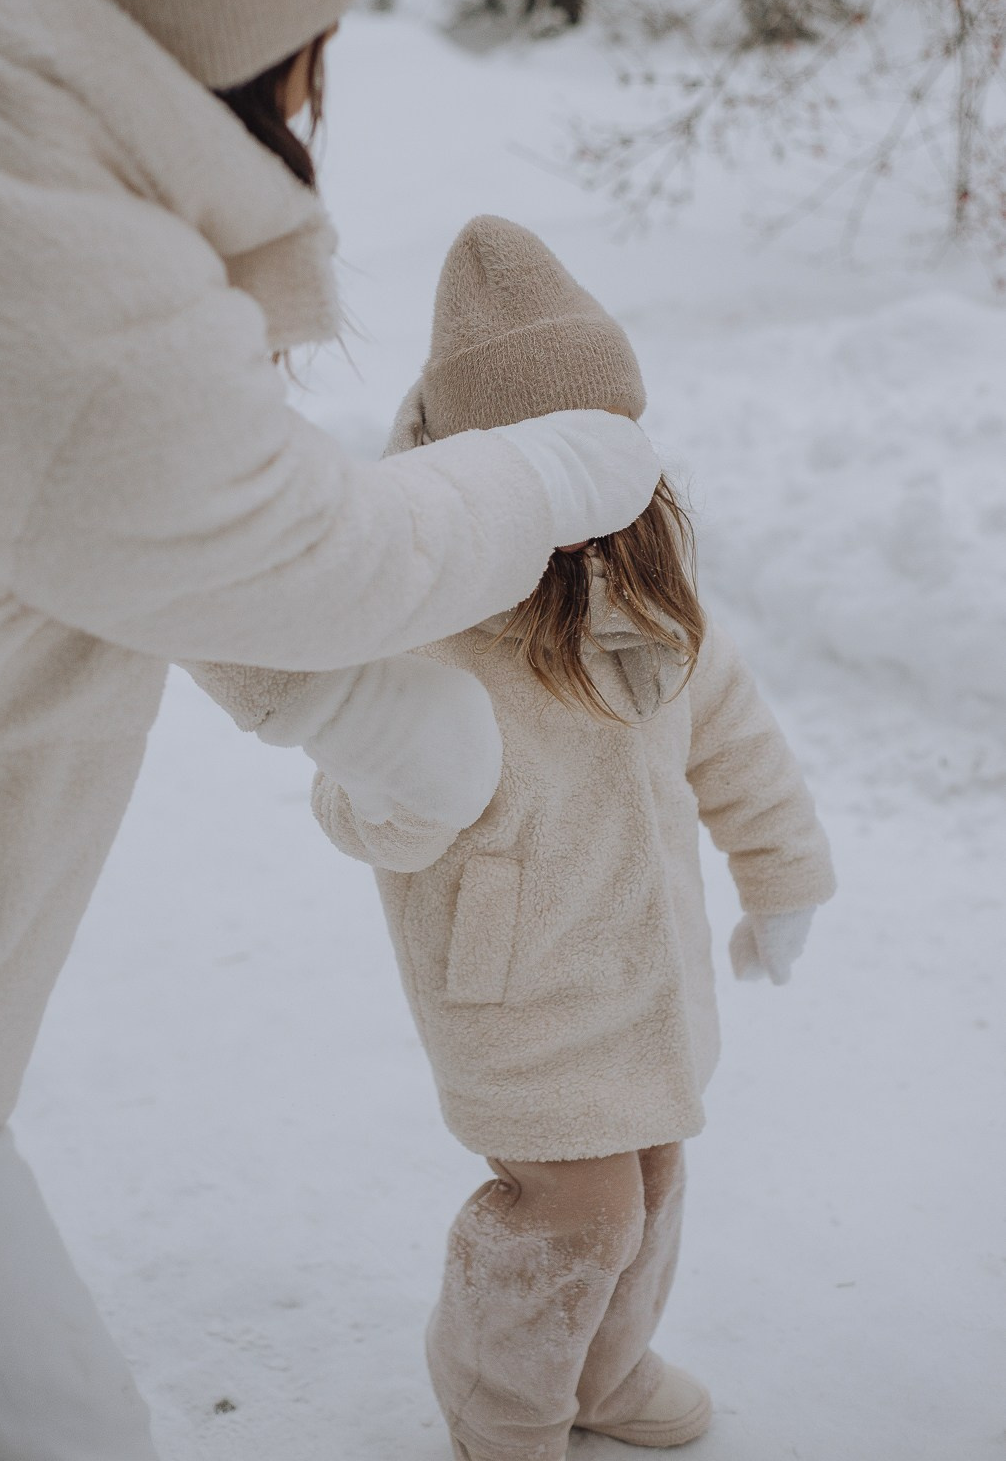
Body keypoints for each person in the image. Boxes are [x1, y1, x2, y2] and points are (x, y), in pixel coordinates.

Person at [0, 0, 666, 1461]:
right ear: (260, 35)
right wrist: (555, 462)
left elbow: (93, 537)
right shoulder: (84, 301)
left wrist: (353, 705)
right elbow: (323, 558)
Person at [300, 216, 837, 1457]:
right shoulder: (419, 616)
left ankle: (603, 1372)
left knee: (647, 1184)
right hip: (516, 990)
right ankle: (503, 1403)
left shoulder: (649, 590)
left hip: (643, 978)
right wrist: (398, 799)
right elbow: (344, 791)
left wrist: (780, 876)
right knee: (576, 1206)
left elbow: (733, 739)